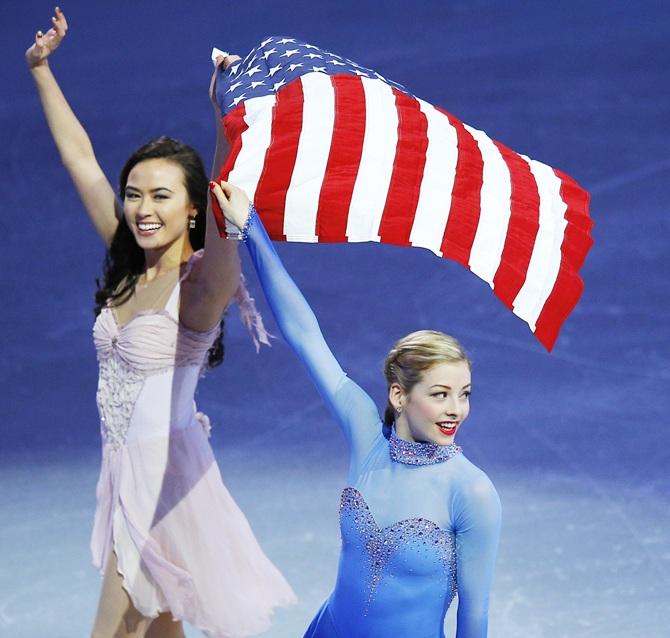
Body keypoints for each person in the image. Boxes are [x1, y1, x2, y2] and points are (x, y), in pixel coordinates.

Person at [26, 8, 295, 638]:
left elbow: (226, 223)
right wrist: (40, 71)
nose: (142, 210)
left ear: (194, 207)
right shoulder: (128, 263)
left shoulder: (200, 290)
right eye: (135, 194)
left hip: (164, 484)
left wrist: (225, 125)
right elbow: (82, 162)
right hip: (124, 471)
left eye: (162, 196)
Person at [210, 179, 502, 638]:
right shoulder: (367, 436)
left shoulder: (471, 492)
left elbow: (475, 616)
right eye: (440, 393)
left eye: (464, 393)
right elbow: (306, 336)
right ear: (399, 395)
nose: (456, 410)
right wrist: (250, 228)